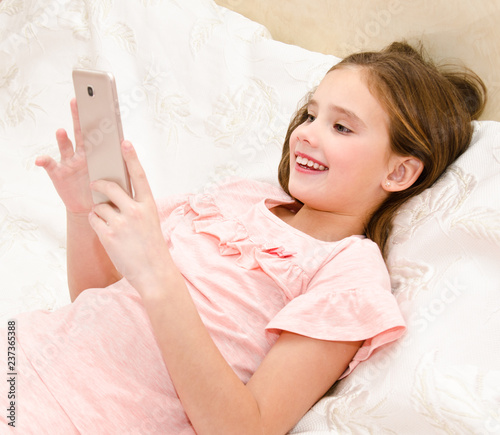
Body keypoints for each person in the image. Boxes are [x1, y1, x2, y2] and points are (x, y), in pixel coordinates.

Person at [3, 41, 486, 434]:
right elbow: (94, 300)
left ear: (399, 171)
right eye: (309, 115)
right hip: (21, 354)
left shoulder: (347, 275)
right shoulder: (237, 199)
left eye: (341, 126)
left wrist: (159, 276)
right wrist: (81, 210)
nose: (307, 134)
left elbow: (244, 429)